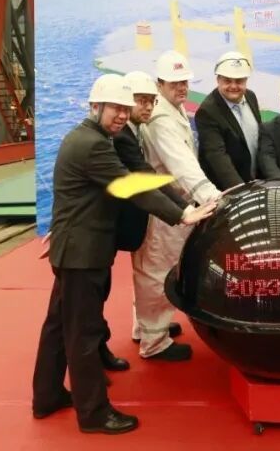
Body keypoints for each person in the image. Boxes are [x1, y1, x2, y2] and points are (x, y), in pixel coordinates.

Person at [32, 74, 215, 435]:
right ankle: (94, 413)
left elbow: (74, 192)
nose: (121, 114)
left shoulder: (85, 137)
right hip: (84, 253)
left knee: (58, 326)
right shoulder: (94, 145)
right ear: (95, 106)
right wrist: (183, 215)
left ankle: (48, 395)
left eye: (124, 109)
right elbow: (133, 185)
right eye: (114, 108)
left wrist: (61, 227)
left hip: (75, 247)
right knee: (83, 334)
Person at [134, 51, 222, 361]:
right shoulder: (161, 120)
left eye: (184, 82)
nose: (181, 88)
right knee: (156, 270)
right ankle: (153, 342)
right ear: (159, 84)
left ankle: (145, 327)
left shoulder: (173, 109)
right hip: (165, 207)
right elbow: (182, 164)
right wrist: (211, 196)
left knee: (156, 267)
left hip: (171, 201)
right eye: (174, 83)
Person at [106, 71, 188, 370]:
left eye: (151, 101)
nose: (148, 107)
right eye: (141, 101)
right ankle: (154, 342)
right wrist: (184, 209)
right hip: (128, 219)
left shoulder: (134, 130)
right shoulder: (124, 137)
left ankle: (145, 328)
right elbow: (147, 177)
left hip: (135, 218)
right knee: (152, 275)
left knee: (146, 273)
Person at [194, 51, 262, 190]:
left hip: (254, 183)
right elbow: (218, 158)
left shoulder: (251, 97)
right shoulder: (207, 112)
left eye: (239, 81)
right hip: (227, 190)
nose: (233, 86)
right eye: (227, 80)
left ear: (246, 80)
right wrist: (241, 191)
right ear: (218, 80)